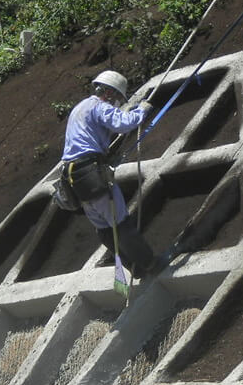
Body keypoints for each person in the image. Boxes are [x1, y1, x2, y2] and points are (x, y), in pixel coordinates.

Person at [61, 70, 167, 277]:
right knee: (120, 222)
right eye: (117, 97)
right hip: (91, 173)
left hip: (74, 179)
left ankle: (135, 269)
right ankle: (149, 264)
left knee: (103, 228)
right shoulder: (99, 107)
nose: (117, 101)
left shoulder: (80, 108)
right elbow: (123, 124)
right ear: (109, 93)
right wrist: (142, 111)